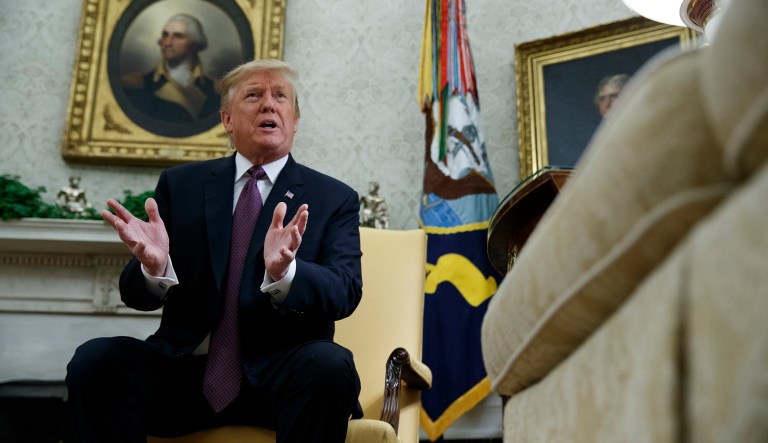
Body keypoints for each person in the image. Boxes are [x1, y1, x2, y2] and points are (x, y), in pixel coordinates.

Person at [67, 59, 364, 443]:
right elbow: (134, 296)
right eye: (254, 95)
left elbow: (346, 290)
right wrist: (155, 270)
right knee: (96, 361)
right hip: (184, 374)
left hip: (279, 379)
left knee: (330, 364)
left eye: (280, 97)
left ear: (294, 120)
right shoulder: (181, 185)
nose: (269, 105)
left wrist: (285, 274)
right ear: (227, 119)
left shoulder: (333, 197)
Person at [121, 13, 220, 123]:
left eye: (178, 36)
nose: (167, 42)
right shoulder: (138, 85)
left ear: (194, 44)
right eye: (165, 35)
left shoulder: (215, 90)